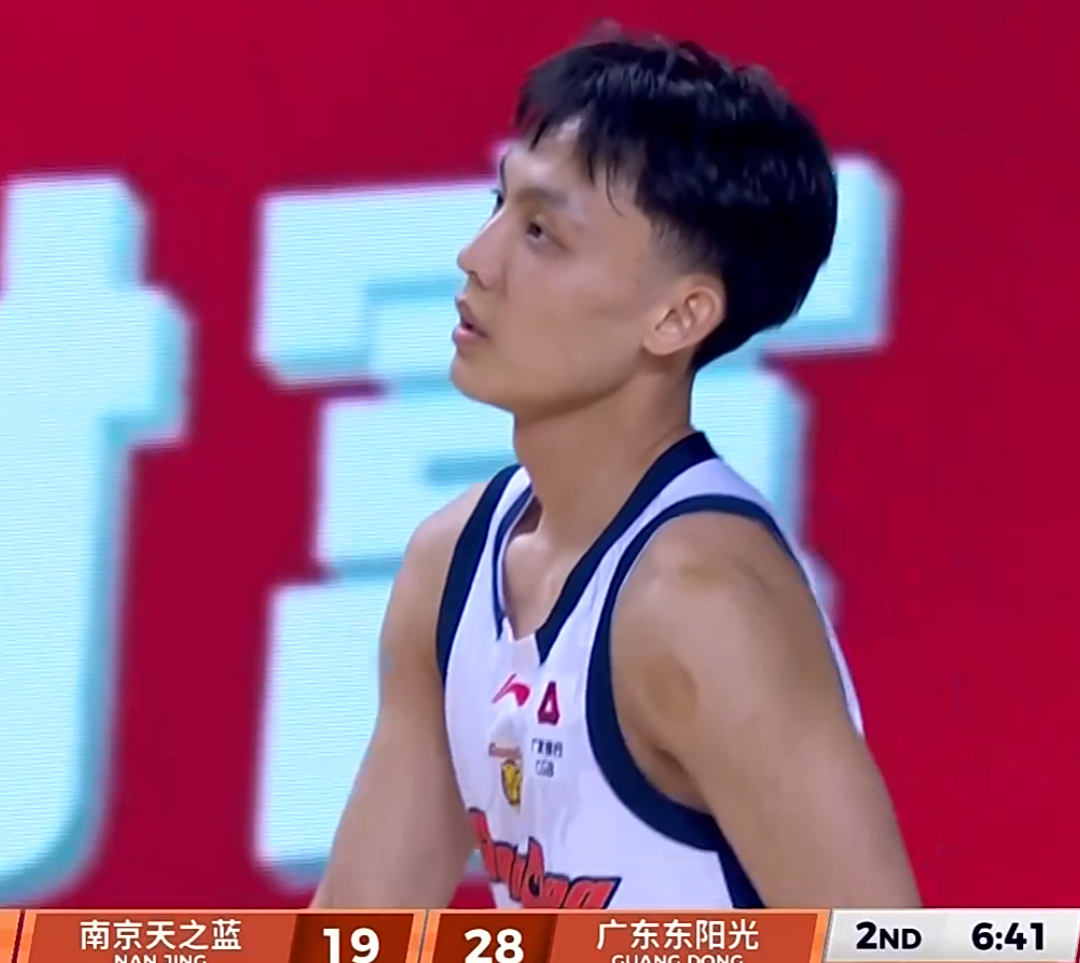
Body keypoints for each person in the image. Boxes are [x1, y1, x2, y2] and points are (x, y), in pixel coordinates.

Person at [313, 27, 919, 910]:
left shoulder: (700, 606)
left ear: (677, 317)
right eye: (498, 202)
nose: (476, 257)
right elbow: (359, 930)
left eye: (540, 232)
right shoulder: (449, 566)